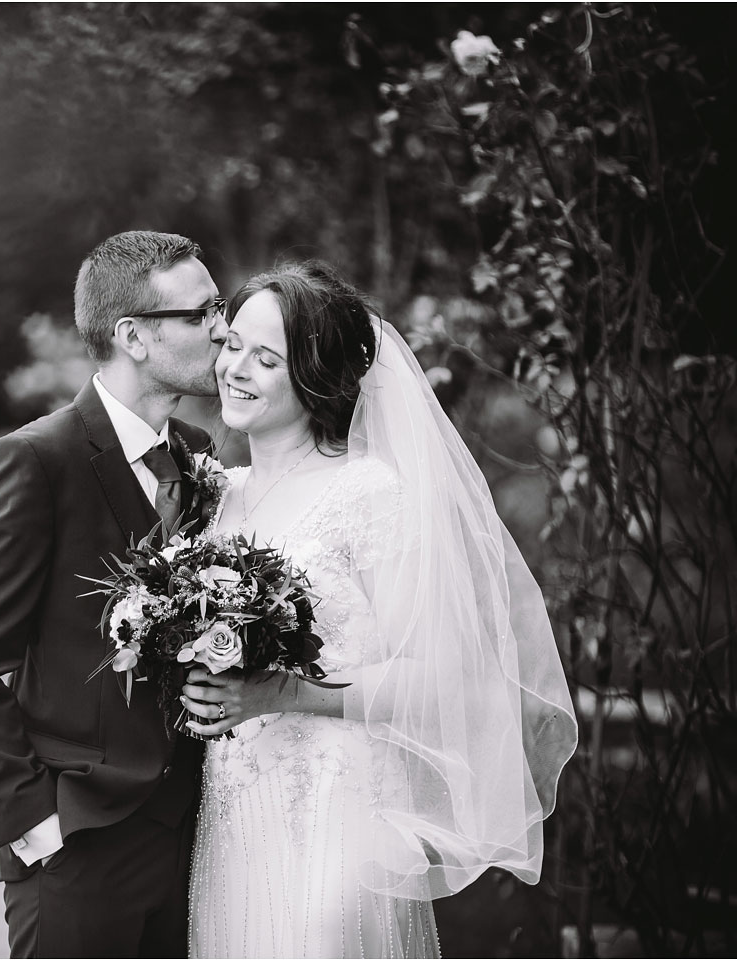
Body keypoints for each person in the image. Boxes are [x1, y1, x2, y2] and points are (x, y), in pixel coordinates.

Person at [176, 261, 577, 958]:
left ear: (315, 377)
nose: (235, 368)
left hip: (337, 815)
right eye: (232, 344)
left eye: (266, 358)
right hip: (233, 816)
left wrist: (282, 691)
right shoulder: (215, 496)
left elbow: (438, 677)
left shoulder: (369, 494)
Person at [0, 230, 231, 958]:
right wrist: (34, 826)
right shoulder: (38, 460)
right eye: (200, 313)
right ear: (132, 335)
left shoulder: (199, 459)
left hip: (192, 848)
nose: (222, 328)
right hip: (77, 851)